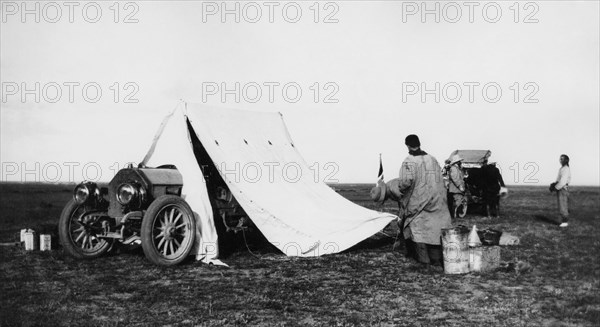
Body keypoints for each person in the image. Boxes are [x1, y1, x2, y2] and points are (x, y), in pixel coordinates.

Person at [397, 134, 452, 266]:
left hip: (419, 201)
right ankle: (437, 259)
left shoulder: (409, 161)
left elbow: (405, 182)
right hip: (438, 200)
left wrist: (401, 190)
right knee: (436, 229)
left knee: (418, 228)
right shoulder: (432, 159)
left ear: (407, 146)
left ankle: (424, 260)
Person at [550, 154, 571, 227]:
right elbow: (559, 180)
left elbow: (563, 181)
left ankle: (565, 222)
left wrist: (556, 188)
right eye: (560, 159)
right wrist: (554, 185)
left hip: (562, 188)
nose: (560, 160)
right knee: (561, 204)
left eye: (562, 159)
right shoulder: (562, 168)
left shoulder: (566, 169)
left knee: (563, 205)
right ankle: (564, 220)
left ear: (566, 160)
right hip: (560, 188)